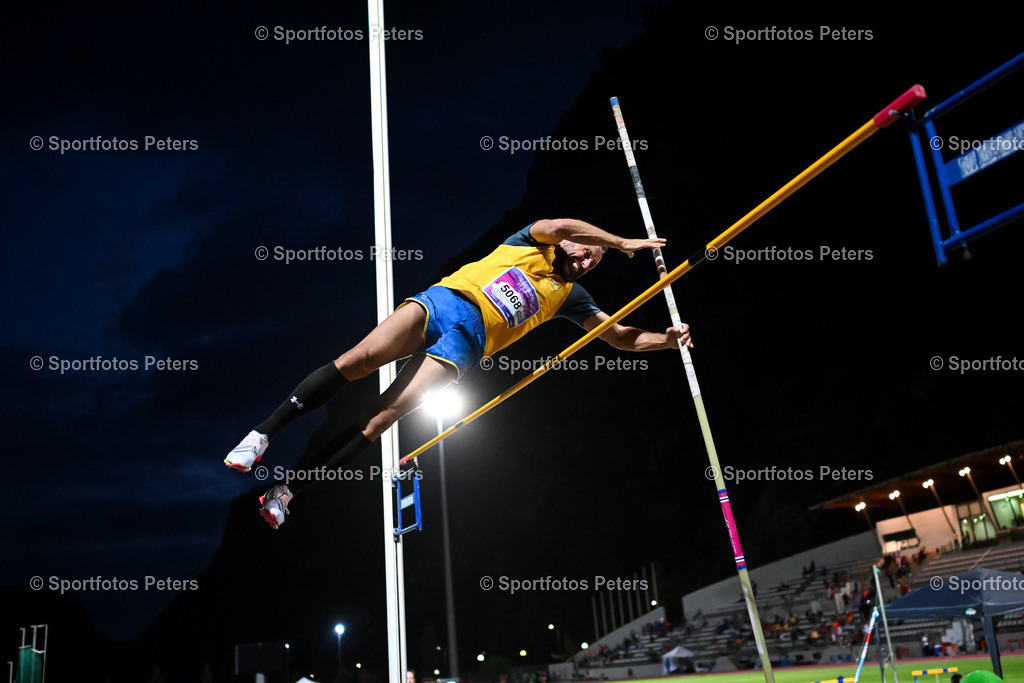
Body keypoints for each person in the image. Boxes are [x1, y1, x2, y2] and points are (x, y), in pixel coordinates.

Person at [223, 218, 694, 528]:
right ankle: (261, 436)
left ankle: (284, 493)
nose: (588, 257)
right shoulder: (535, 239)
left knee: (381, 418)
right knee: (358, 360)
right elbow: (565, 224)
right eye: (587, 248)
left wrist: (667, 341)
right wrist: (621, 242)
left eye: (595, 260)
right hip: (445, 302)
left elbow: (618, 337)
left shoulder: (571, 298)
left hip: (466, 344)